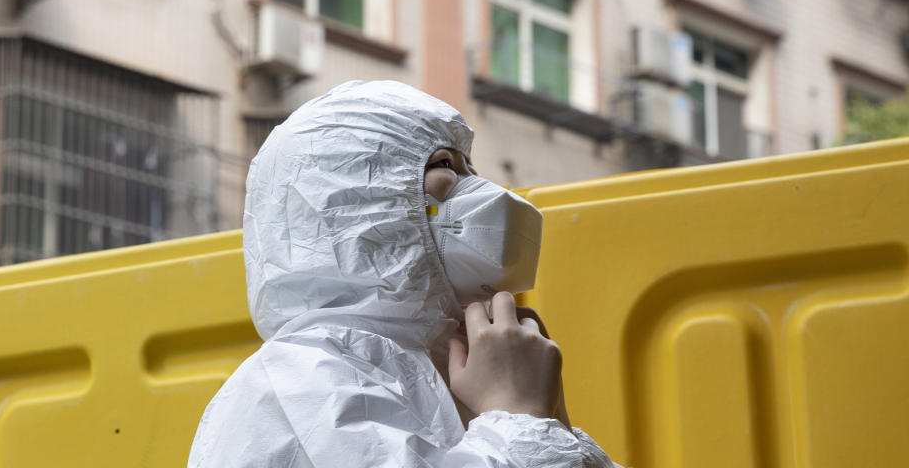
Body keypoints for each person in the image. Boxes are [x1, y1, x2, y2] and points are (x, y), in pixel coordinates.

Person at [188, 80, 621, 467]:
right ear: (355, 201)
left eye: (471, 167)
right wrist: (520, 419)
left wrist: (552, 426)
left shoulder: (442, 370)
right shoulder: (303, 378)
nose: (484, 190)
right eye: (446, 165)